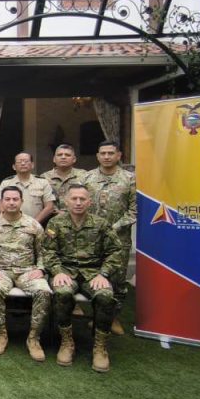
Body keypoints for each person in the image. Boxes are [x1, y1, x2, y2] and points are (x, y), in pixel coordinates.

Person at [42, 183, 125, 373]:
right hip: (65, 272)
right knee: (62, 293)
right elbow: (47, 251)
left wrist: (103, 274)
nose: (78, 202)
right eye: (74, 198)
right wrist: (57, 271)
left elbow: (115, 252)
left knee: (105, 296)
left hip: (94, 273)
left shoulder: (101, 224)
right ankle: (67, 342)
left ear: (89, 202)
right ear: (66, 201)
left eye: (82, 199)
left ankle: (100, 347)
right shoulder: (56, 223)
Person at [0, 185, 51, 361]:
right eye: (7, 199)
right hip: (1, 271)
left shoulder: (33, 225)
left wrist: (40, 268)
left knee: (43, 291)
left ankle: (33, 338)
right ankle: (1, 334)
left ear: (21, 201)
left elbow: (43, 251)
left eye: (15, 199)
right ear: (1, 202)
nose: (11, 202)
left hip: (27, 271)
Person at [82, 140, 136, 335]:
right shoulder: (87, 178)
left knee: (117, 280)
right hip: (90, 238)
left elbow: (135, 210)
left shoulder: (130, 179)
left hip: (118, 239)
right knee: (92, 276)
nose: (106, 156)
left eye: (110, 153)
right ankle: (95, 315)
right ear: (97, 156)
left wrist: (114, 227)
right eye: (103, 153)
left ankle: (112, 318)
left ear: (118, 155)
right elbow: (78, 204)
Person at [0, 151, 56, 224]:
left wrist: (34, 223)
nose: (23, 163)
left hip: (36, 225)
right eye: (19, 162)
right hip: (10, 225)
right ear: (14, 167)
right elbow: (0, 205)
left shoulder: (43, 182)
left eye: (26, 161)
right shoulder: (6, 183)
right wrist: (9, 223)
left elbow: (49, 207)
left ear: (32, 165)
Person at [41, 143, 86, 210]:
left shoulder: (84, 175)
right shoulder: (44, 177)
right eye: (59, 155)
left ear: (74, 159)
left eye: (67, 155)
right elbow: (41, 201)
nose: (63, 157)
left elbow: (88, 198)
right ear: (54, 159)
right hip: (51, 215)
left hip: (77, 213)